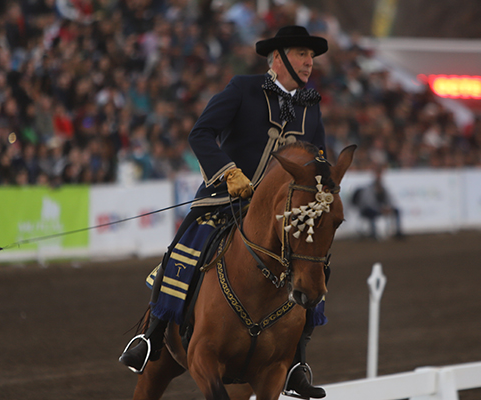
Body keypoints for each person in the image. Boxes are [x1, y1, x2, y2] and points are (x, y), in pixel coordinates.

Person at [119, 25, 329, 398]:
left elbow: (319, 160)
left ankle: (296, 359)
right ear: (278, 59)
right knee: (184, 250)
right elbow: (201, 133)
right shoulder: (243, 89)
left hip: (280, 213)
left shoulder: (311, 107)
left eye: (311, 56)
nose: (310, 62)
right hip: (227, 199)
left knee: (314, 264)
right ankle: (151, 334)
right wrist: (229, 171)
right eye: (302, 54)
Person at [352, 164, 403, 239]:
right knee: (372, 213)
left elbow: (389, 200)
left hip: (380, 208)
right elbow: (368, 203)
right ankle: (373, 233)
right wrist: (380, 208)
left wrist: (388, 207)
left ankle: (398, 232)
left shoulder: (384, 188)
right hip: (369, 209)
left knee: (397, 211)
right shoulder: (368, 189)